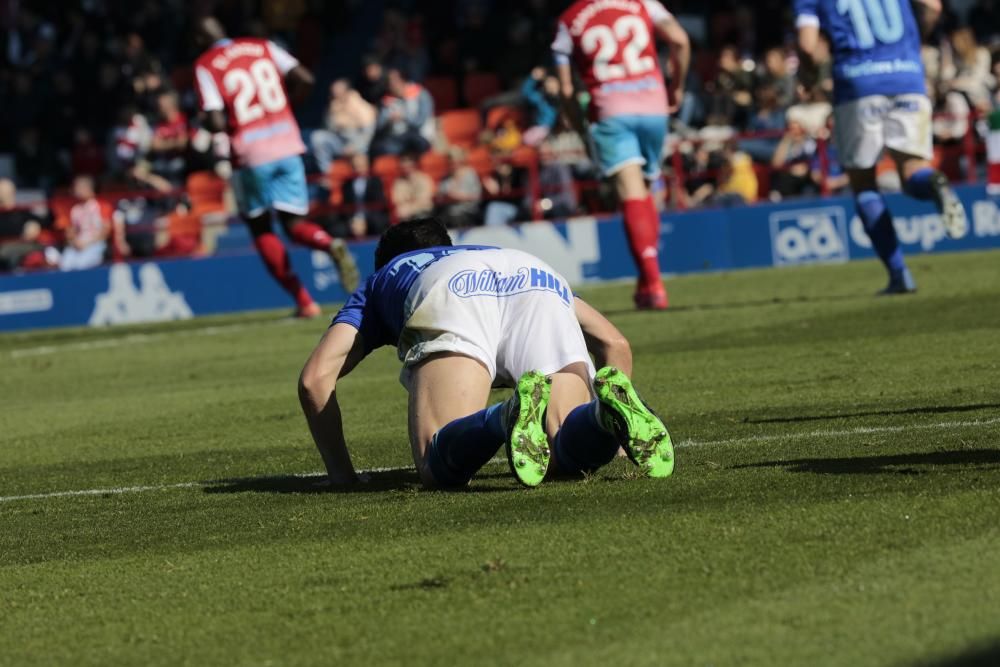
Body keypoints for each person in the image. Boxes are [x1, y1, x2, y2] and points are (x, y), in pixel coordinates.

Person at [297, 217, 674, 489]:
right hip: (533, 274)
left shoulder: (388, 274)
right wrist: (621, 448)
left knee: (436, 465)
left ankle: (505, 417)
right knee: (564, 455)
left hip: (450, 290)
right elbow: (614, 344)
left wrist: (342, 476)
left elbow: (315, 380)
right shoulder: (489, 253)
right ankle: (604, 419)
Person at [795, 0, 968, 295]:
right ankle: (934, 182)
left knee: (864, 184)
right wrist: (914, 41)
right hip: (908, 77)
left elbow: (808, 46)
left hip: (857, 84)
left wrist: (808, 75)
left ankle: (900, 275)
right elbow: (933, 6)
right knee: (912, 171)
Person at [193, 17, 359, 317]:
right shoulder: (263, 46)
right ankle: (328, 241)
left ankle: (304, 301)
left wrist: (205, 123)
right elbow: (306, 79)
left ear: (199, 39)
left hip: (250, 154)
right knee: (294, 225)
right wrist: (286, 106)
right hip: (287, 143)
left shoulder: (207, 64)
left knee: (260, 227)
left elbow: (216, 120)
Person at [553, 0, 690, 310]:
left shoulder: (568, 20)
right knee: (645, 188)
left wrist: (581, 129)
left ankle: (653, 283)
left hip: (611, 108)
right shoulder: (644, 3)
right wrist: (678, 86)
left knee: (630, 192)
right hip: (654, 105)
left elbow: (565, 90)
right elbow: (680, 39)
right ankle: (647, 281)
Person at [309, 79, 377, 172]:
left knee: (360, 159)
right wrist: (334, 115)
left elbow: (367, 134)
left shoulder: (360, 105)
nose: (335, 94)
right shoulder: (333, 105)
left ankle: (363, 183)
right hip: (340, 143)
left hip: (357, 144)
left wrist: (354, 147)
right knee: (318, 137)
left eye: (338, 91)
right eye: (333, 92)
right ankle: (327, 173)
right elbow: (328, 129)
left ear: (346, 91)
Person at [369, 68, 436, 157]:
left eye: (395, 81)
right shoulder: (386, 100)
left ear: (403, 80)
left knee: (417, 143)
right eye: (389, 83)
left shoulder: (421, 94)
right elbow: (379, 126)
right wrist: (388, 120)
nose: (392, 85)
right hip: (397, 138)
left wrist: (403, 117)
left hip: (419, 135)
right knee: (378, 148)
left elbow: (420, 122)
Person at [60, 175, 111, 271]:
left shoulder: (102, 205)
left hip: (95, 243)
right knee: (65, 264)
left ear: (88, 188)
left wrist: (87, 243)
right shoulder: (74, 209)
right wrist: (75, 242)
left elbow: (106, 230)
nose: (76, 191)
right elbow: (70, 231)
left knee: (82, 264)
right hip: (77, 244)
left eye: (79, 187)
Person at [337, 153, 390, 239]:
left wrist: (364, 221)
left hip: (371, 216)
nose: (358, 169)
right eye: (356, 166)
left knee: (378, 223)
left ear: (367, 166)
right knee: (337, 229)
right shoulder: (347, 184)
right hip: (354, 219)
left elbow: (378, 204)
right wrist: (353, 221)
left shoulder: (375, 182)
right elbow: (346, 207)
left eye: (361, 166)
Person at [390, 154, 435, 222]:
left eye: (408, 163)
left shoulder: (423, 179)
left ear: (414, 164)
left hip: (423, 212)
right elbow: (397, 200)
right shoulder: (398, 182)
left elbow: (424, 200)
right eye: (403, 163)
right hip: (406, 213)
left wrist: (409, 208)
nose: (405, 165)